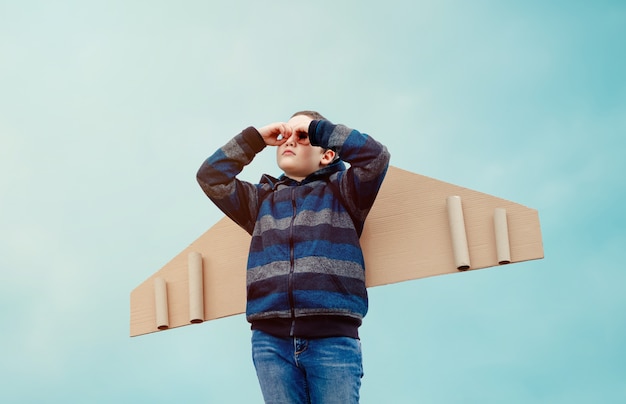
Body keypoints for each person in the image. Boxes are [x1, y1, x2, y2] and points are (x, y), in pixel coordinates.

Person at [197, 110, 390, 403]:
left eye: (302, 138)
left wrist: (318, 129)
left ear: (326, 156)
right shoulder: (260, 201)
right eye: (286, 137)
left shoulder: (345, 192)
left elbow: (376, 158)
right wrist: (255, 140)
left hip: (333, 339)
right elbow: (211, 177)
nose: (290, 142)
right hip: (270, 343)